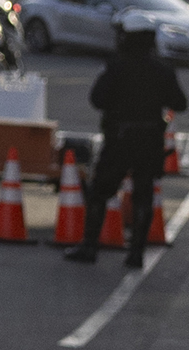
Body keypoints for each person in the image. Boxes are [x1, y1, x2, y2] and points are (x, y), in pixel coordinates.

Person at [75, 20, 180, 267]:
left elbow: (97, 99)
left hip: (120, 139)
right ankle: (137, 253)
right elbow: (180, 102)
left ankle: (89, 246)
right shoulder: (162, 69)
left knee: (100, 191)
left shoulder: (116, 66)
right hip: (150, 139)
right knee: (143, 194)